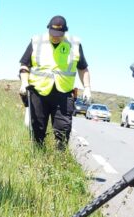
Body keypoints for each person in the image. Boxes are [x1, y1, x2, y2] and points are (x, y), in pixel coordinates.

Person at [19, 15, 91, 148]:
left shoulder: (74, 44)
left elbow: (83, 68)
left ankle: (59, 159)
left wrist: (87, 87)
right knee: (37, 129)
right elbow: (24, 65)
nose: (56, 36)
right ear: (48, 29)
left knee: (63, 130)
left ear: (65, 31)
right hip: (38, 92)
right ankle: (37, 157)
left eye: (59, 34)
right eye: (53, 34)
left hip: (63, 94)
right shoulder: (36, 41)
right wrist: (24, 82)